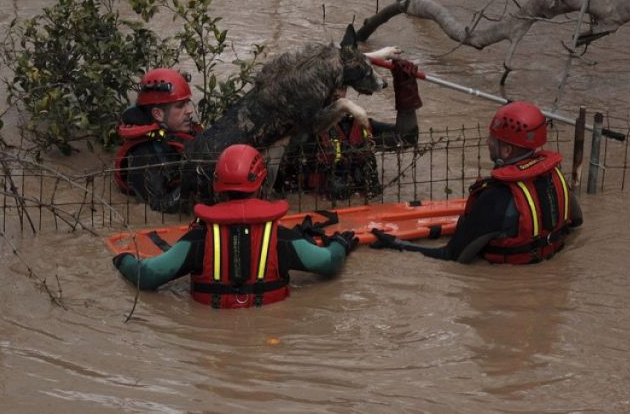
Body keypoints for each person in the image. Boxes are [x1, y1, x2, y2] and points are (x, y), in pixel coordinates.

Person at [113, 144, 359, 308]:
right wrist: (339, 244)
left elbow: (145, 277)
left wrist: (122, 259)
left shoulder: (197, 240)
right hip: (268, 334)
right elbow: (329, 264)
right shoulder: (283, 239)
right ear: (262, 185)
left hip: (211, 337)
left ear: (217, 188)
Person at [370, 101, 583, 263]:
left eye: (492, 138)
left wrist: (397, 244)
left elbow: (452, 256)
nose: (488, 142)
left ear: (506, 150)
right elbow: (577, 221)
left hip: (503, 284)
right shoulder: (555, 176)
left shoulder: (495, 197)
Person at [274, 57, 424, 199]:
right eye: (330, 87)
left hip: (363, 212)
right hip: (313, 213)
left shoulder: (359, 125)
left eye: (342, 86)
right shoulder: (296, 129)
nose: (337, 93)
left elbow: (405, 139)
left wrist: (405, 89)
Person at [113, 68, 202, 213]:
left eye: (187, 102)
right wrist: (195, 179)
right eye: (180, 106)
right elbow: (158, 208)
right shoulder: (144, 157)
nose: (189, 110)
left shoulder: (178, 131)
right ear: (158, 114)